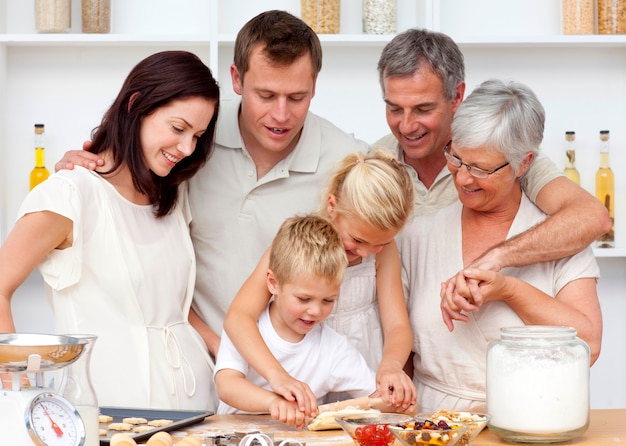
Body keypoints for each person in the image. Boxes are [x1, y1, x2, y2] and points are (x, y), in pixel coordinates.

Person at [53, 10, 369, 366]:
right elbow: (130, 207)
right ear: (236, 79)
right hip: (197, 365)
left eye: (297, 97)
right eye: (265, 95)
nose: (281, 115)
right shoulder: (192, 143)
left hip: (298, 379)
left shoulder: (349, 164)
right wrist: (85, 169)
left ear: (314, 85)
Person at [0, 51, 221, 410]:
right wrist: (17, 386)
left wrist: (220, 349)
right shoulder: (71, 193)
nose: (186, 148)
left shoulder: (172, 196)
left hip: (196, 409)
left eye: (197, 135)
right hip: (107, 417)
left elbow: (166, 304)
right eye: (178, 128)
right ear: (136, 105)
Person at [398, 79, 603, 412]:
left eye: (480, 168)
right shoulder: (417, 236)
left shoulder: (558, 238)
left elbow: (588, 345)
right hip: (434, 430)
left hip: (534, 419)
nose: (463, 178)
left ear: (524, 163)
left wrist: (509, 289)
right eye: (456, 158)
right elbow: (399, 352)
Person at [374, 29, 610, 283]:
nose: (407, 126)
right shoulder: (376, 163)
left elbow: (592, 217)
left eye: (423, 109)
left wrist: (497, 256)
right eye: (394, 108)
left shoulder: (507, 158)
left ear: (456, 96)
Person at [224, 149, 417, 414]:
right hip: (299, 371)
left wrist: (392, 365)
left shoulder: (385, 252)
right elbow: (239, 316)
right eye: (358, 240)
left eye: (380, 244)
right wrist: (277, 376)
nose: (365, 252)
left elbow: (397, 324)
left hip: (360, 368)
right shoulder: (295, 248)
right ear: (332, 207)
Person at [215, 215, 390, 429]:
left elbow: (377, 399)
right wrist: (272, 402)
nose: (315, 311)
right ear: (273, 283)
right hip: (233, 445)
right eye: (303, 299)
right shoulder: (247, 331)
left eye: (328, 300)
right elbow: (227, 385)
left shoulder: (333, 349)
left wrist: (397, 397)